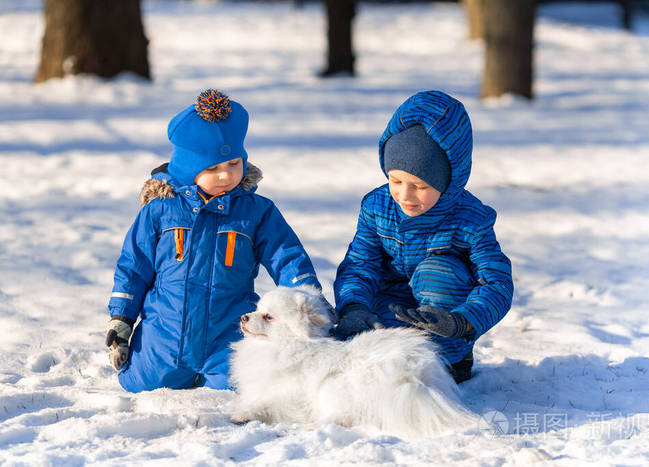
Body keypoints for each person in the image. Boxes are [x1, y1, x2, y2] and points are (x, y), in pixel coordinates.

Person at [105, 89, 324, 392]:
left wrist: (308, 301)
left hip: (229, 331)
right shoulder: (160, 211)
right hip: (165, 334)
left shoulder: (255, 212)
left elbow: (286, 254)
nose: (226, 175)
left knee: (242, 386)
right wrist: (121, 321)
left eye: (234, 164)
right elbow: (133, 266)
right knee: (138, 384)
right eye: (213, 169)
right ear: (187, 168)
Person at [333, 90, 513, 383]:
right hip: (390, 308)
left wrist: (461, 322)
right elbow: (359, 265)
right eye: (396, 180)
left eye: (419, 185)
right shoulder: (376, 207)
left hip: (444, 317)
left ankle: (449, 359)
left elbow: (496, 282)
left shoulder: (471, 219)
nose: (405, 195)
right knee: (372, 346)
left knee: (437, 271)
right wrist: (354, 307)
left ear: (447, 179)